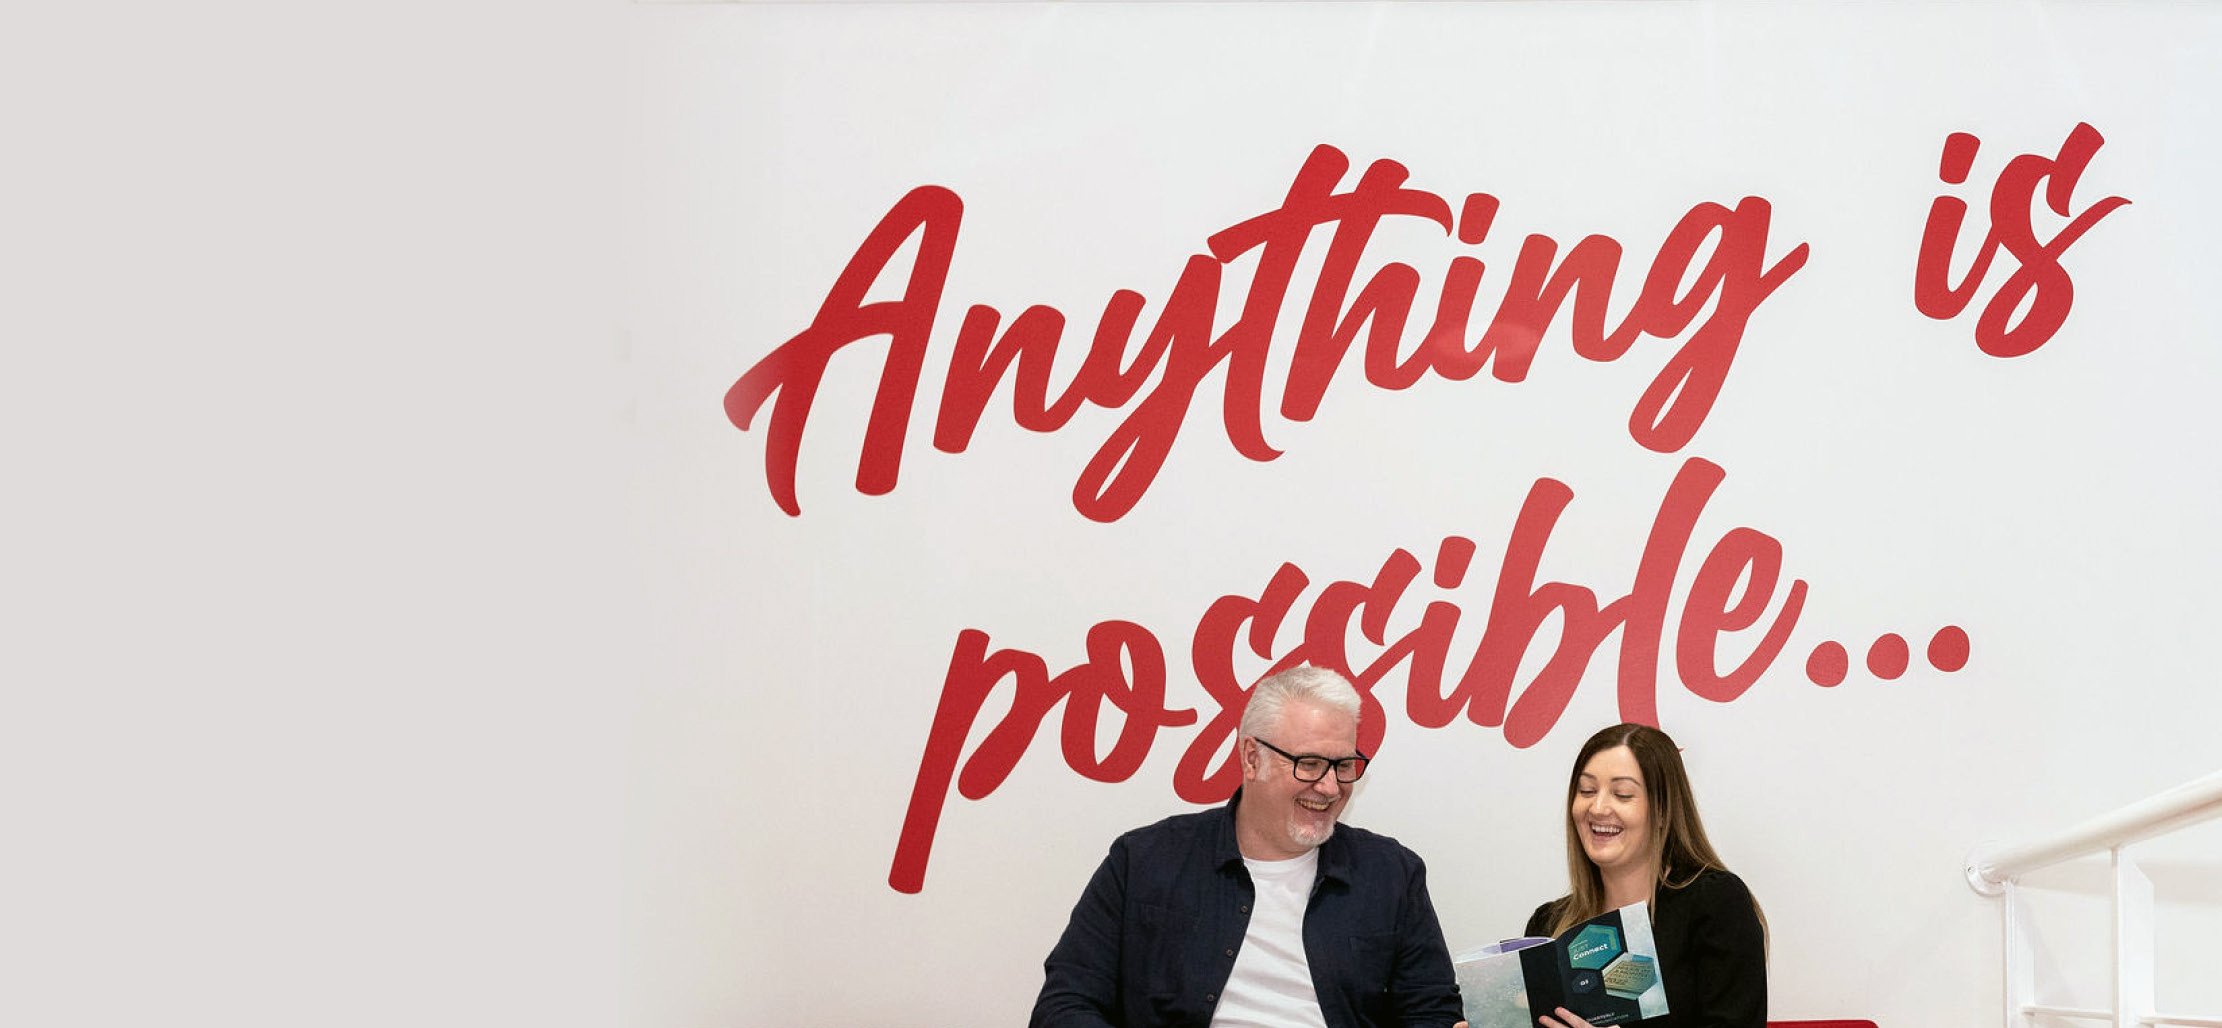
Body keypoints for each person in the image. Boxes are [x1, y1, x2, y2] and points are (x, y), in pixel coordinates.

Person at [1029, 664, 1466, 1028]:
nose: (1331, 787)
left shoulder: (1392, 875)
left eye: (1344, 765)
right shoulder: (1142, 860)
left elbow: (1432, 1012)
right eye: (1310, 763)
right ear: (1252, 757)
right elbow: (1065, 1004)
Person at [1524, 723, 1766, 1028]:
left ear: (1663, 809)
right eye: (1586, 791)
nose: (1598, 808)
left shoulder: (1713, 902)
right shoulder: (1548, 924)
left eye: (1622, 794)